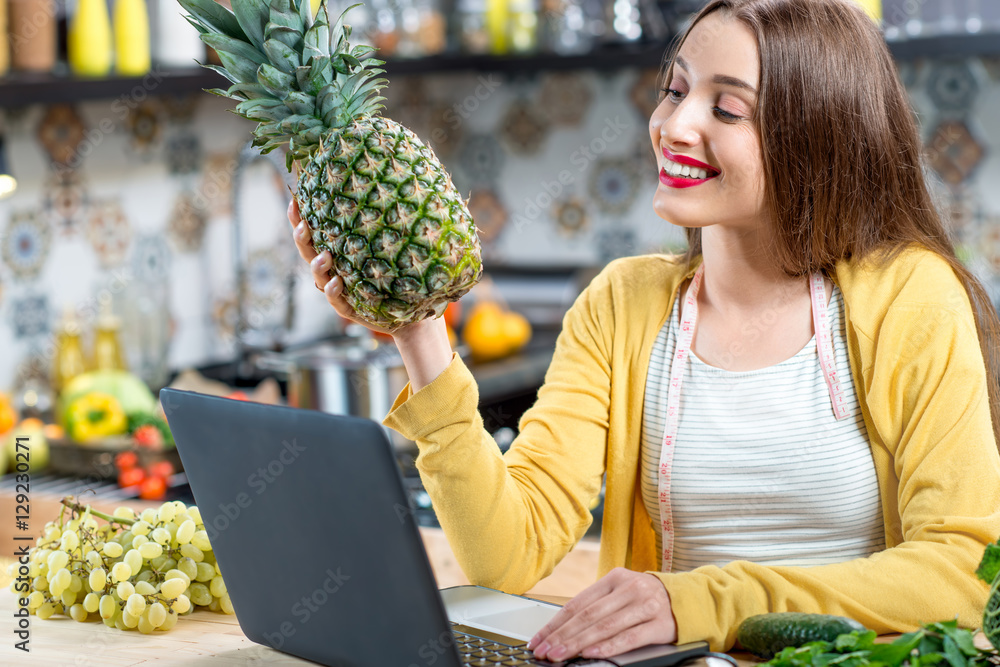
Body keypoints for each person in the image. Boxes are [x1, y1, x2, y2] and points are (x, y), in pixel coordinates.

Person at [288, 0, 1000, 660]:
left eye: (727, 108)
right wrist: (416, 330)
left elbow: (964, 571)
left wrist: (703, 597)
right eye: (675, 89)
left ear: (816, 135)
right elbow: (507, 552)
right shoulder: (622, 305)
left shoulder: (910, 295)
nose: (675, 125)